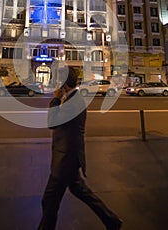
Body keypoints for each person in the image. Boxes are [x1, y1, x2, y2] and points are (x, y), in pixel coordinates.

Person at [37, 66, 122, 230]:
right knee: (79, 193)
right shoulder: (72, 99)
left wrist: (55, 100)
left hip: (65, 161)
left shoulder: (74, 102)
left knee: (49, 200)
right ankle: (112, 221)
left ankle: (112, 221)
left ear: (63, 85)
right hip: (67, 159)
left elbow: (52, 123)